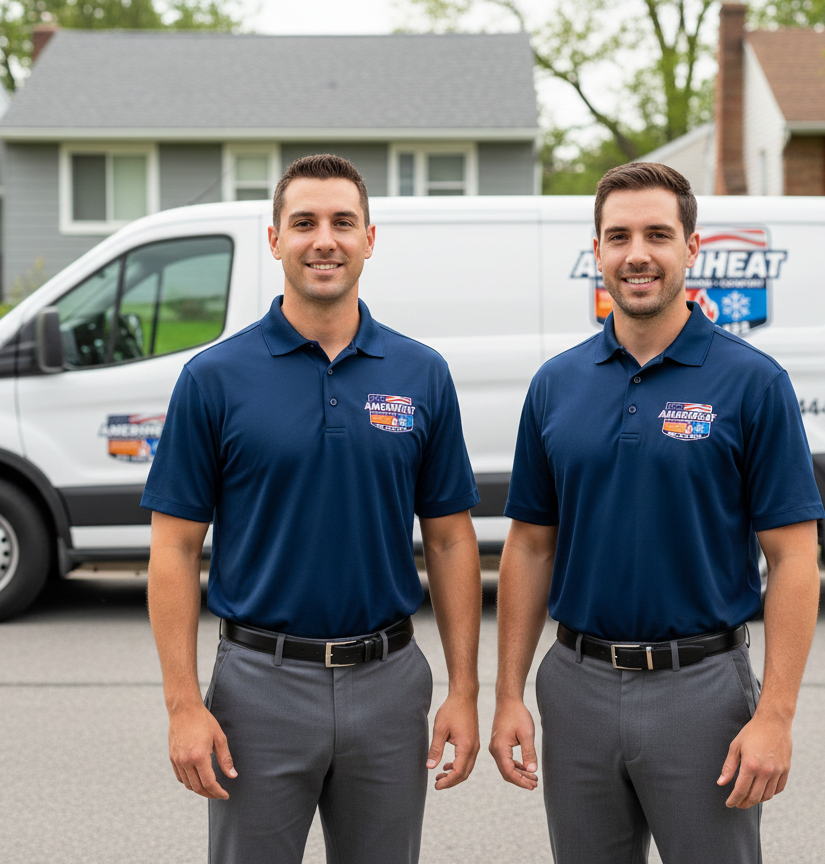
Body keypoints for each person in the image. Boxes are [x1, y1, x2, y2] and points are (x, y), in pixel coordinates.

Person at [143, 154, 482, 864]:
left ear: (369, 238)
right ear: (275, 240)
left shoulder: (422, 374)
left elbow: (450, 541)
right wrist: (183, 704)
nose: (323, 240)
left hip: (389, 684)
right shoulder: (213, 379)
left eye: (341, 222)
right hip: (258, 688)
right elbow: (173, 550)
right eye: (304, 223)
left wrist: (464, 690)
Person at [488, 162, 824, 863]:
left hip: (701, 692)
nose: (636, 253)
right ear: (598, 253)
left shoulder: (752, 383)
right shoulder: (556, 385)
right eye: (618, 236)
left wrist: (776, 715)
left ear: (691, 248)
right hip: (575, 686)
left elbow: (793, 557)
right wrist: (509, 694)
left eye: (657, 234)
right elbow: (528, 547)